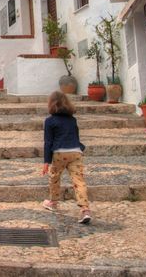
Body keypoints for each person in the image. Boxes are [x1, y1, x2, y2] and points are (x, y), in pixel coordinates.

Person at [41, 91, 91, 224]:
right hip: (75, 152)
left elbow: (48, 142)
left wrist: (46, 161)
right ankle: (85, 209)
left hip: (59, 152)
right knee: (79, 180)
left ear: (51, 104)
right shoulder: (72, 120)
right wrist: (80, 147)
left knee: (55, 177)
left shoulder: (49, 121)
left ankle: (53, 202)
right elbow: (76, 136)